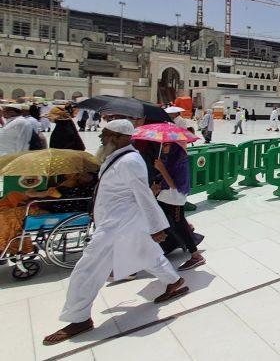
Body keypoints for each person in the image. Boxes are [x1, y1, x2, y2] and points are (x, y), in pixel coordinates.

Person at [43, 120, 188, 346]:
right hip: (118, 222)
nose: (102, 138)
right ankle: (174, 280)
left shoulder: (130, 161)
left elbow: (143, 195)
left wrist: (157, 227)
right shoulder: (118, 157)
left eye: (107, 134)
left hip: (117, 225)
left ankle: (79, 318)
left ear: (122, 137)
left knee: (86, 270)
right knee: (146, 254)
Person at [152, 142, 205, 271]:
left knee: (178, 225)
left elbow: (174, 184)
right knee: (171, 222)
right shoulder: (169, 158)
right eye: (162, 145)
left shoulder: (180, 160)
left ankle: (196, 256)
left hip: (175, 197)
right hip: (166, 196)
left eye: (166, 145)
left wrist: (161, 169)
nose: (163, 147)